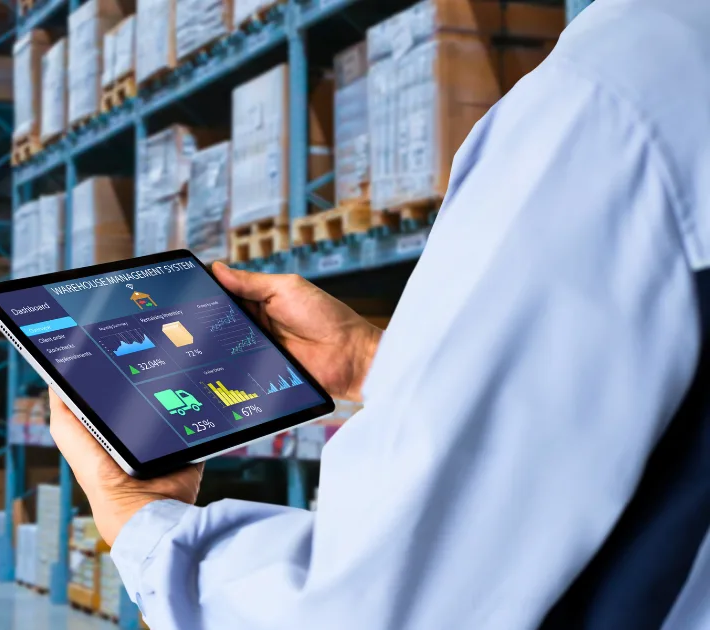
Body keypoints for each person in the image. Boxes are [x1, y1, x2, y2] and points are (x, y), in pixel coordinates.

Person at [48, 1, 710, 627]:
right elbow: (608, 388)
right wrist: (376, 361)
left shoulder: (611, 94)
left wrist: (142, 519)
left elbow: (371, 609)